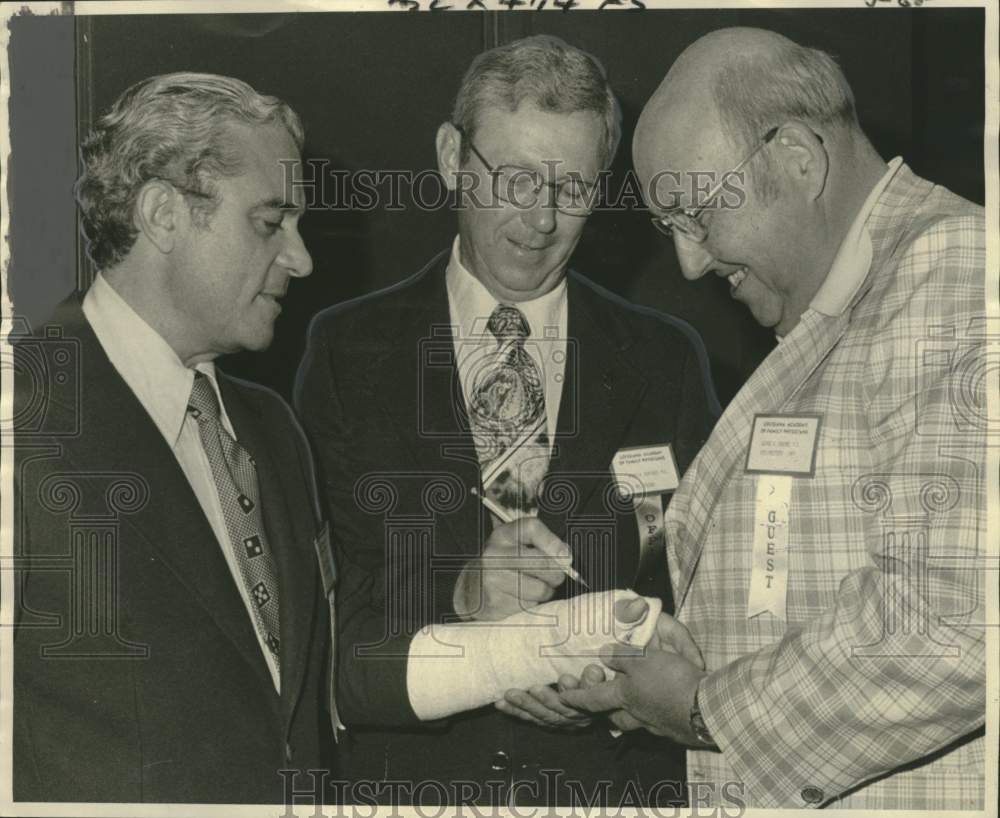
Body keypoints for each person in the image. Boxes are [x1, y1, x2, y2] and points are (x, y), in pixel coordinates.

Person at [561, 27, 987, 810]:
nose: (689, 264)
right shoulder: (846, 305)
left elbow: (954, 624)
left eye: (695, 212)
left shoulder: (955, 271)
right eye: (667, 228)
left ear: (797, 155)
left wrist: (700, 709)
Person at [295, 34, 719, 807]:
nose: (542, 219)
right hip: (414, 787)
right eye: (518, 179)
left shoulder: (667, 358)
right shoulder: (346, 349)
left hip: (608, 787)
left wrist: (621, 696)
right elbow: (332, 611)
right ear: (453, 156)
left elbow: (694, 588)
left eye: (573, 187)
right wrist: (463, 602)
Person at [11, 72, 327, 804]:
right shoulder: (20, 419)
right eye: (269, 222)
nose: (301, 258)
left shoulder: (275, 430)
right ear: (163, 214)